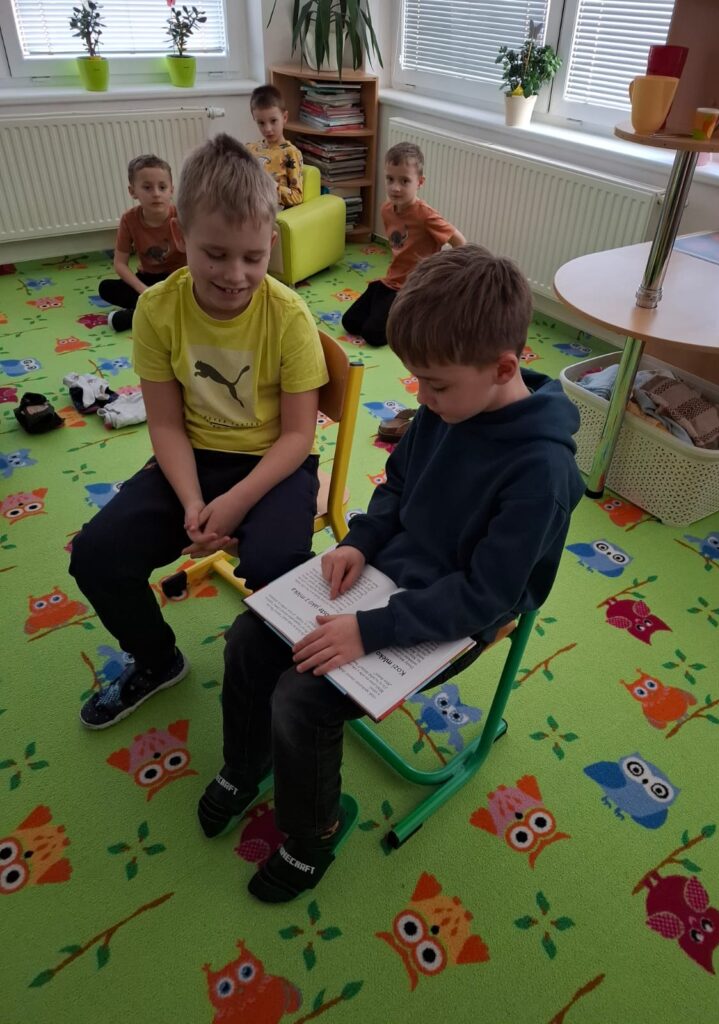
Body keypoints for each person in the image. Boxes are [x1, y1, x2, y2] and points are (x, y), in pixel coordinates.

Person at [199, 244, 584, 904]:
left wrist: (371, 630)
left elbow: (487, 596)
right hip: (386, 578)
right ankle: (247, 762)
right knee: (249, 639)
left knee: (303, 698)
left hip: (456, 616)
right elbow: (399, 486)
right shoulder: (449, 406)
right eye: (418, 383)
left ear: (504, 368)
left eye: (436, 385)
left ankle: (313, 834)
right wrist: (363, 541)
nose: (422, 400)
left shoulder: (542, 474)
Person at [70, 134, 328, 730]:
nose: (235, 276)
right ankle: (157, 661)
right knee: (96, 556)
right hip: (190, 459)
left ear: (271, 243)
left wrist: (233, 503)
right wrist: (192, 501)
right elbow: (164, 422)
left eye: (253, 258)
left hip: (273, 465)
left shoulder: (289, 316)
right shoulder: (158, 309)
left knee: (280, 564)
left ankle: (276, 677)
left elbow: (297, 438)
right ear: (181, 234)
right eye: (215, 254)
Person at [342, 141, 466, 348]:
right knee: (350, 322)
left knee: (373, 335)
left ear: (420, 182)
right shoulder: (386, 209)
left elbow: (460, 242)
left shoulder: (426, 215)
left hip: (413, 287)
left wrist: (449, 276)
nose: (395, 188)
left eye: (405, 181)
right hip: (391, 280)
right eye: (390, 179)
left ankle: (421, 312)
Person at [98, 154, 187, 333]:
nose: (156, 194)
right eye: (147, 187)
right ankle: (162, 307)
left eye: (162, 187)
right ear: (133, 191)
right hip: (148, 279)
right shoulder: (129, 219)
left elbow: (198, 255)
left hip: (179, 278)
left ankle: (141, 313)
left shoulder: (182, 216)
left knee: (198, 292)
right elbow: (120, 264)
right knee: (106, 288)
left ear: (171, 190)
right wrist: (144, 290)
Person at [246, 84, 304, 209]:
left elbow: (297, 196)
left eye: (273, 121)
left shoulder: (290, 152)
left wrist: (272, 186)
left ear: (284, 117)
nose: (268, 129)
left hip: (269, 209)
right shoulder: (250, 149)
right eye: (261, 123)